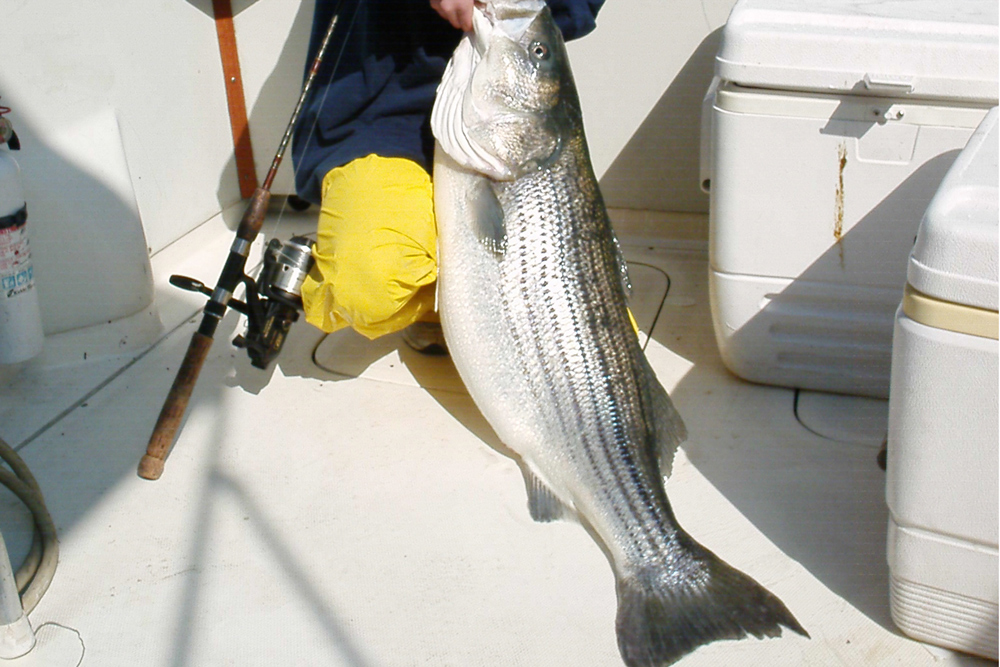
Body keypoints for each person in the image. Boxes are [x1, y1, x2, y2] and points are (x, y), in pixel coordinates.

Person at [291, 0, 604, 353]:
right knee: (368, 288)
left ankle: (464, 302)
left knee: (588, 333)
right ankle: (440, 303)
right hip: (385, 107)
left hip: (507, 107)